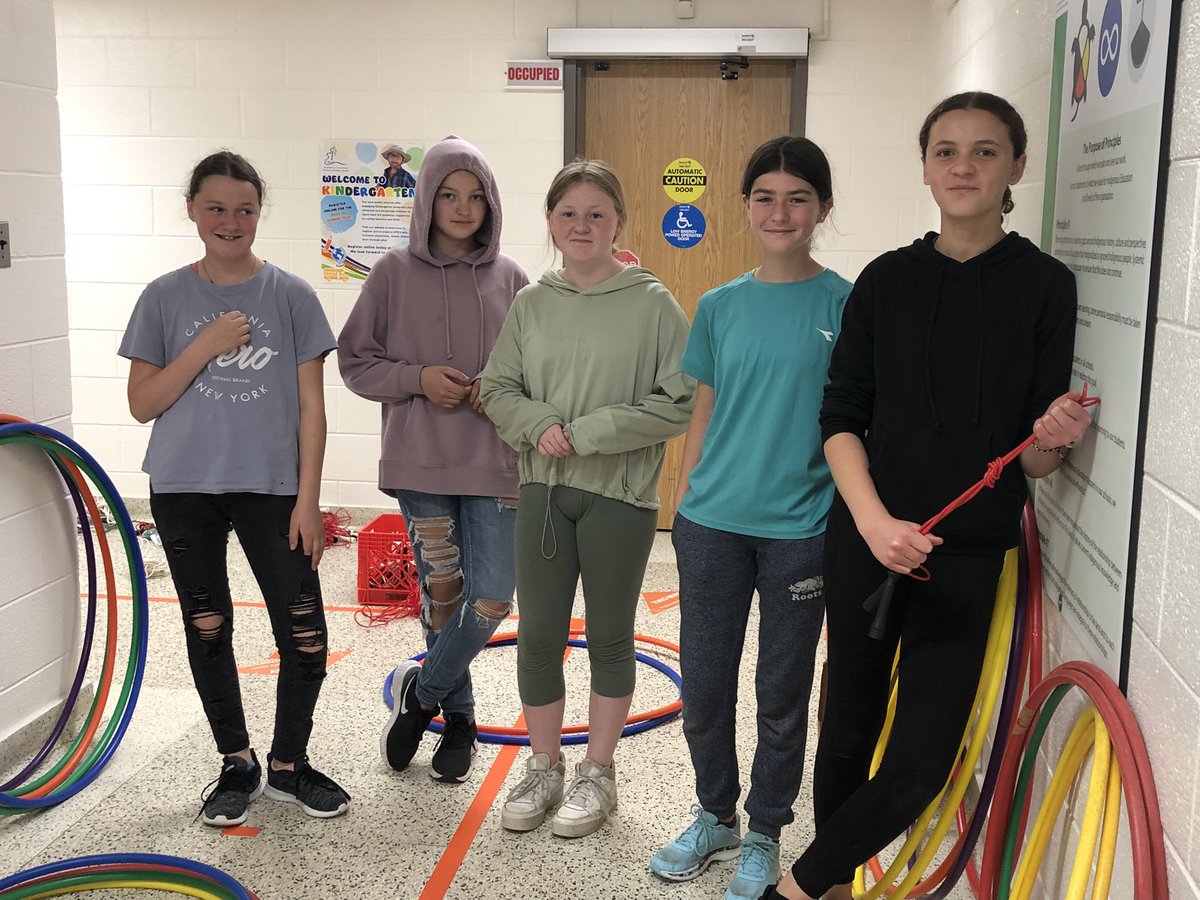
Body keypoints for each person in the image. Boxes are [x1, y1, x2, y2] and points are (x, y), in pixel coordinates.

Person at [765, 92, 1094, 900]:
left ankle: (797, 892)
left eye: (986, 152)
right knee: (846, 730)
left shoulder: (1046, 286)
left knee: (920, 761)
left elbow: (1039, 470)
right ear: (924, 166)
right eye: (946, 151)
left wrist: (1053, 439)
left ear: (1017, 167)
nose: (964, 167)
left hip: (969, 553)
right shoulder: (885, 280)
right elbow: (840, 415)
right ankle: (831, 891)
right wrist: (874, 525)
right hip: (867, 543)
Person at [119, 150, 349, 827]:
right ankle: (237, 762)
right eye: (215, 207)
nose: (230, 221)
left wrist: (308, 498)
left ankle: (289, 765)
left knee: (305, 634)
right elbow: (141, 403)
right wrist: (206, 345)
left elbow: (312, 406)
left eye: (243, 209)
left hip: (275, 490)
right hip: (185, 486)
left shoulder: (292, 295)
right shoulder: (163, 297)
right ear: (191, 209)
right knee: (208, 626)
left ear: (258, 214)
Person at [647, 137, 851, 900]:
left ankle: (766, 828)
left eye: (798, 197)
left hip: (802, 527)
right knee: (703, 683)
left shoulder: (844, 302)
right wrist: (689, 490)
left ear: (823, 208)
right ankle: (714, 815)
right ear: (744, 207)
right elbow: (705, 402)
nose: (780, 211)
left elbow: (855, 419)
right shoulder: (720, 305)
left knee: (781, 691)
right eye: (764, 196)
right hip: (711, 525)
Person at [480, 159, 695, 839]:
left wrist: (590, 433)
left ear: (619, 225)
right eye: (568, 213)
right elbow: (496, 388)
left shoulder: (653, 303)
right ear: (549, 221)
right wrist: (537, 423)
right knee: (539, 635)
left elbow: (678, 401)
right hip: (543, 493)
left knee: (608, 634)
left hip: (619, 497)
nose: (581, 225)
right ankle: (543, 765)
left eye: (596, 214)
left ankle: (597, 772)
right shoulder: (531, 303)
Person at [339, 134, 529, 784]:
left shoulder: (512, 279)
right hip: (421, 463)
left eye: (476, 195)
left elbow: (539, 371)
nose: (462, 206)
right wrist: (419, 379)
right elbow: (356, 362)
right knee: (444, 596)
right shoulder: (392, 274)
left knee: (493, 598)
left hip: (497, 463)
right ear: (426, 199)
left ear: (491, 203)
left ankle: (421, 695)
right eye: (449, 193)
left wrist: (499, 392)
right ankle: (464, 722)